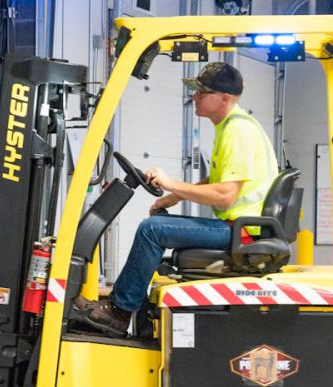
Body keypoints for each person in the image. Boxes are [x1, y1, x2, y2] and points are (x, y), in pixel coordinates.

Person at [77, 62, 278, 335]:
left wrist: (172, 183)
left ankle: (119, 312)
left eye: (201, 92)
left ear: (224, 98)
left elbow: (226, 194)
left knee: (152, 230)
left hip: (241, 232)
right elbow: (219, 179)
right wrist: (172, 197)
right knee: (158, 223)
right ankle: (126, 306)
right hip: (238, 226)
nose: (193, 97)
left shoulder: (237, 131)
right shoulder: (230, 126)